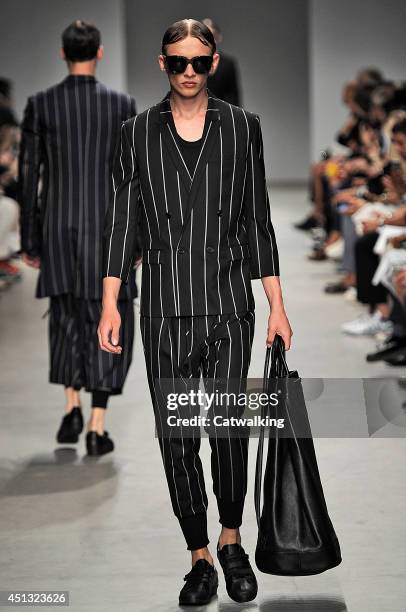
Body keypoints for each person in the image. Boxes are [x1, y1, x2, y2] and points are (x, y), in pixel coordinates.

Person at [98, 18, 292, 605]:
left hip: (231, 305)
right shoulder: (134, 133)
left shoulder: (242, 128)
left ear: (214, 62)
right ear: (162, 64)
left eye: (199, 63)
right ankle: (199, 556)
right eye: (177, 62)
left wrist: (277, 306)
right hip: (163, 310)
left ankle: (232, 542)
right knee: (178, 438)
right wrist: (111, 300)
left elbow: (258, 221)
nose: (188, 72)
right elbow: (122, 225)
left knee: (229, 432)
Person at [18, 20, 138, 456]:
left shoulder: (41, 104)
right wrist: (137, 240)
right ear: (100, 53)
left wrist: (31, 238)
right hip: (108, 230)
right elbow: (131, 178)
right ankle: (96, 424)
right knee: (110, 319)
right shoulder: (121, 104)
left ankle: (70, 405)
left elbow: (30, 176)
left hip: (59, 228)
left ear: (62, 53)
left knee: (66, 318)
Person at [202, 17, 242, 106]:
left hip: (223, 115)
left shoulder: (228, 64)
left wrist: (235, 118)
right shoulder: (191, 62)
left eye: (211, 35)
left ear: (218, 37)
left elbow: (234, 96)